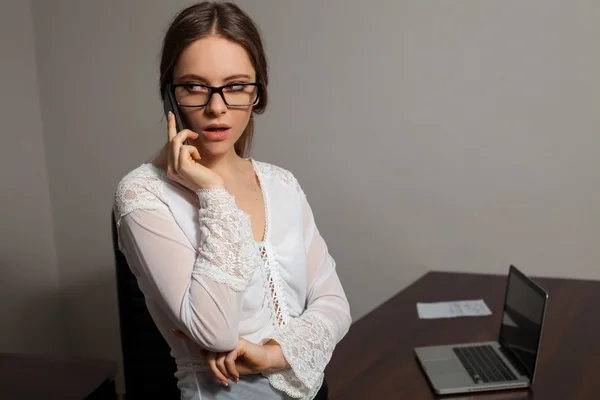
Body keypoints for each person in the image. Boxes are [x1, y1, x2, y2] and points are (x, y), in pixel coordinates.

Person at [113, 2, 351, 399]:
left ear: (259, 93)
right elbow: (215, 331)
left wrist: (271, 356)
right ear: (170, 94)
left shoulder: (281, 185)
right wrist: (211, 192)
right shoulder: (142, 194)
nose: (217, 107)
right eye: (194, 86)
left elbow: (335, 305)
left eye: (236, 86)